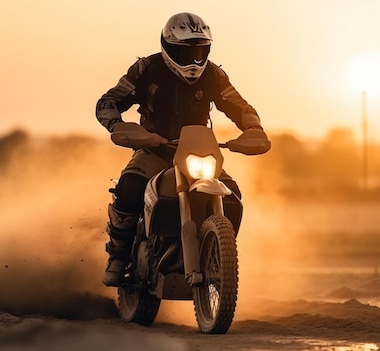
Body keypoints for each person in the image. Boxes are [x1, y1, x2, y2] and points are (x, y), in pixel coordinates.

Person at [96, 12, 266, 287]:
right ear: (168, 47)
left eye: (200, 50)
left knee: (233, 194)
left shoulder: (213, 74)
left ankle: (218, 252)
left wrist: (253, 128)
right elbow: (109, 100)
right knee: (128, 188)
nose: (194, 59)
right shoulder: (146, 69)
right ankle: (117, 257)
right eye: (185, 52)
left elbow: (240, 106)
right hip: (154, 149)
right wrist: (116, 125)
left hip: (197, 151)